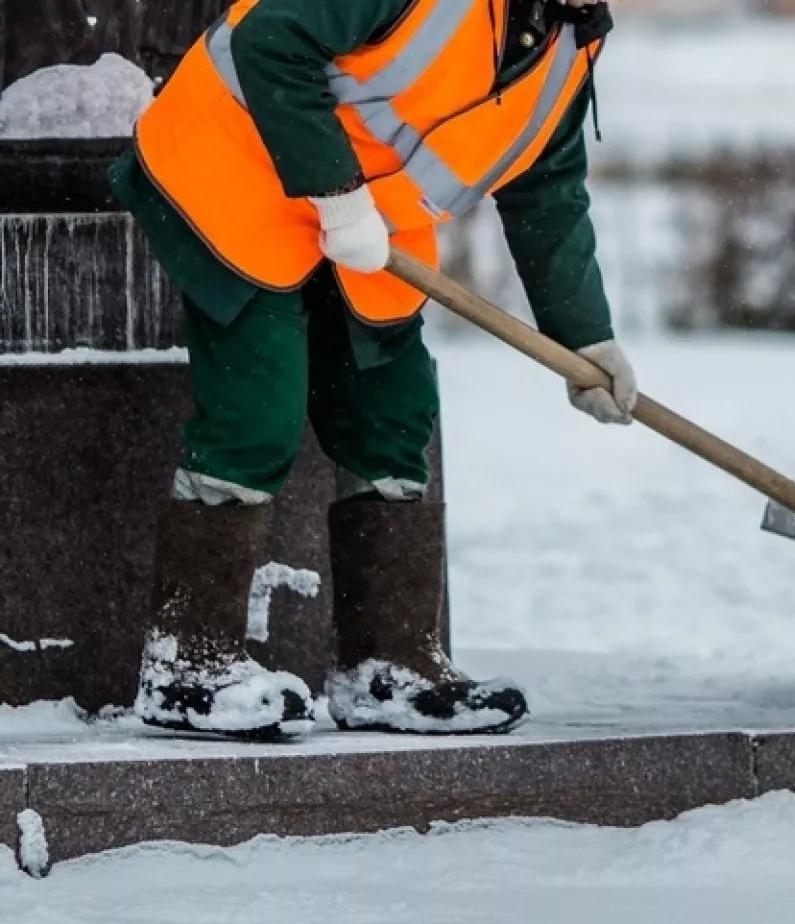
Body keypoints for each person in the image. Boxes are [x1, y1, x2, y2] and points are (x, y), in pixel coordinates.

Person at [108, 0, 635, 741]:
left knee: (391, 411)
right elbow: (268, 39)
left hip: (366, 224)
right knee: (259, 405)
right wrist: (333, 191)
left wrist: (586, 340)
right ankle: (186, 665)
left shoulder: (567, 49)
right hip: (235, 161)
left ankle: (387, 668)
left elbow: (547, 187)